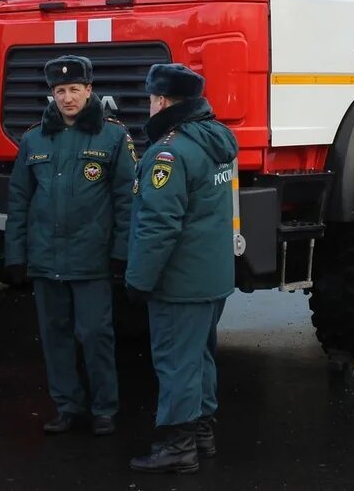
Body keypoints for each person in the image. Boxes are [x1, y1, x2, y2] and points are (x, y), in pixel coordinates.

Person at [4, 54, 136, 435]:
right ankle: (67, 407)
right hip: (46, 260)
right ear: (52, 95)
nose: (67, 98)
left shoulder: (113, 137)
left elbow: (127, 200)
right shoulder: (33, 140)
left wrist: (121, 254)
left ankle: (105, 409)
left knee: (95, 335)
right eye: (60, 91)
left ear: (89, 91)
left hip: (92, 259)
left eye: (74, 89)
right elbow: (19, 202)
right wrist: (16, 255)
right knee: (55, 336)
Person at [126, 63, 238, 475]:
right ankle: (202, 433)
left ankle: (177, 445)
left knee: (176, 362)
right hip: (213, 278)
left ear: (162, 100)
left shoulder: (168, 153)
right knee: (202, 358)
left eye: (151, 98)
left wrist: (138, 279)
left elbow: (158, 226)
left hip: (180, 283)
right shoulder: (215, 140)